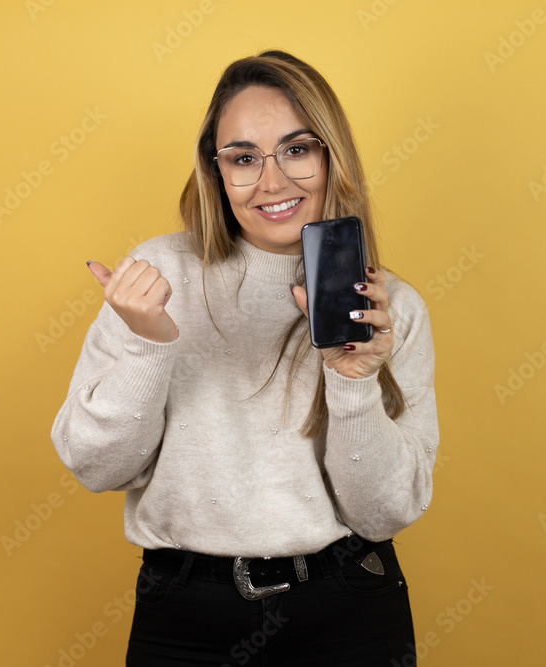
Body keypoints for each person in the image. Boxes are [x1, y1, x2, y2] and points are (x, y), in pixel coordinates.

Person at [51, 49, 439, 666]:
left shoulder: (388, 310)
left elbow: (383, 512)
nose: (272, 182)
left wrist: (352, 382)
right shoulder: (158, 275)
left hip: (348, 608)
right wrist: (148, 344)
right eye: (243, 158)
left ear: (332, 156)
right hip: (185, 613)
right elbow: (96, 467)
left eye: (296, 149)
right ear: (217, 172)